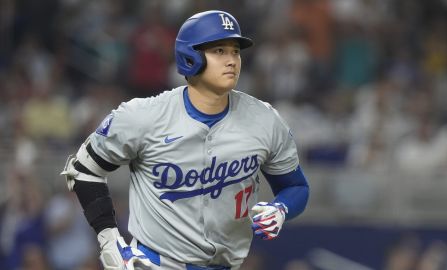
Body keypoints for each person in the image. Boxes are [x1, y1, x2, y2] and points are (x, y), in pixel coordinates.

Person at [61, 10, 309, 270]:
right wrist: (108, 238)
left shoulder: (264, 119)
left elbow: (297, 188)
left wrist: (281, 209)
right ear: (190, 57)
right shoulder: (144, 116)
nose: (232, 60)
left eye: (235, 51)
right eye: (219, 51)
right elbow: (84, 170)